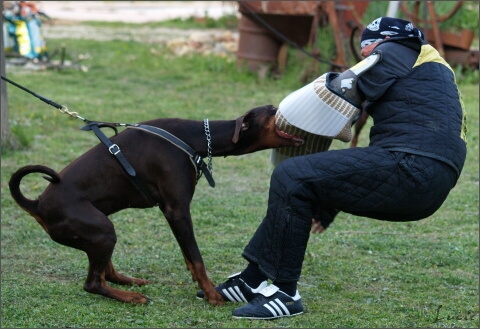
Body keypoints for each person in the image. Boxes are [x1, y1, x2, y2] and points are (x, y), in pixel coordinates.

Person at [197, 17, 467, 320]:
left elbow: (332, 95)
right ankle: (252, 278)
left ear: (385, 41)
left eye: (367, 48)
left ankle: (286, 294)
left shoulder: (395, 51)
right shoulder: (432, 67)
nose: (365, 56)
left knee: (291, 175)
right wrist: (329, 198)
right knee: (302, 182)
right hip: (432, 180)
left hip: (409, 166)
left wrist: (282, 122)